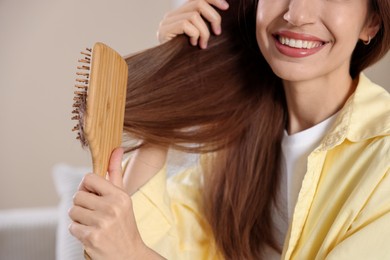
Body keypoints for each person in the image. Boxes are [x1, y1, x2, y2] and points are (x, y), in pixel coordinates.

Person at [68, 0, 390, 259]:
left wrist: (133, 255)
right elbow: (157, 240)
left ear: (371, 22)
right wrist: (173, 72)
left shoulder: (384, 159)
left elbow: (133, 249)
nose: (297, 14)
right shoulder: (234, 143)